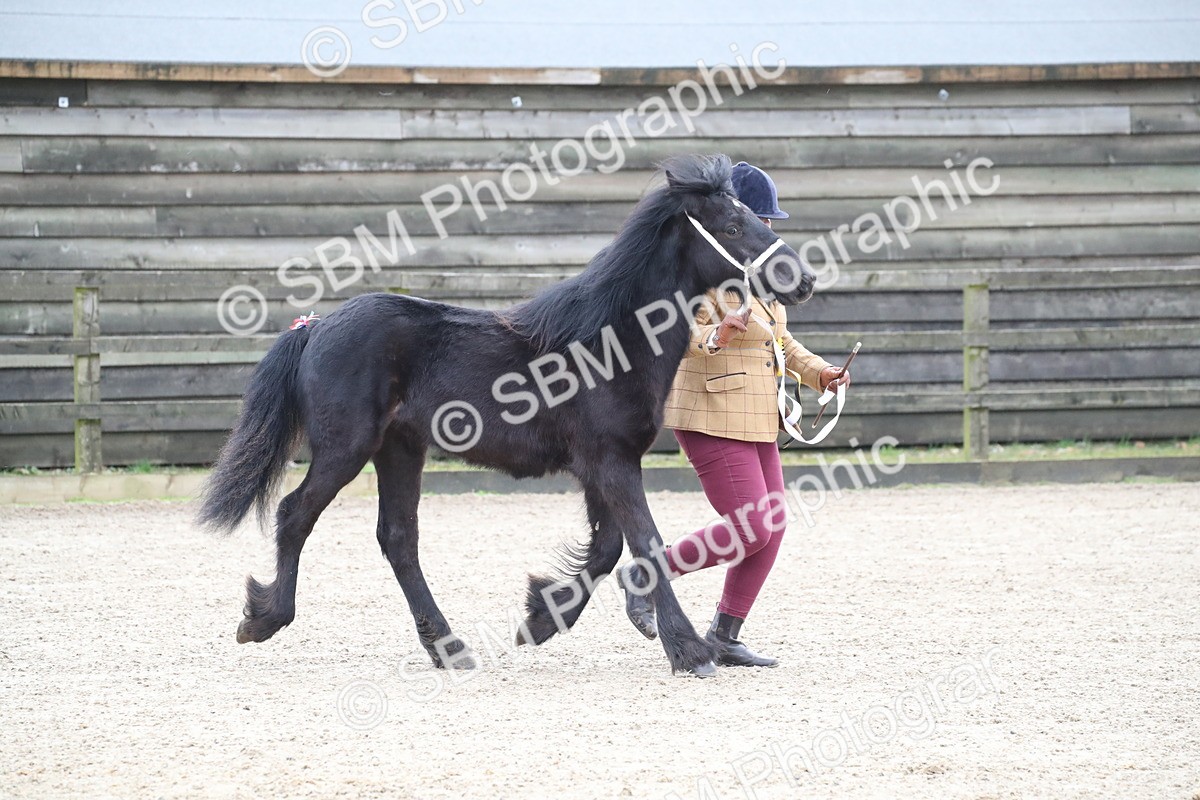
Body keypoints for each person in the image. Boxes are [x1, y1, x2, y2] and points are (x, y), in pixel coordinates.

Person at [617, 161, 850, 672]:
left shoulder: (759, 279)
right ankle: (646, 574)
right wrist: (717, 334)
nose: (771, 232)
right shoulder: (702, 275)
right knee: (749, 529)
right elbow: (677, 334)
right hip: (710, 414)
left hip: (757, 416)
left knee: (773, 529)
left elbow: (783, 343)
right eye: (763, 222)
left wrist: (822, 375)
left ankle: (724, 633)